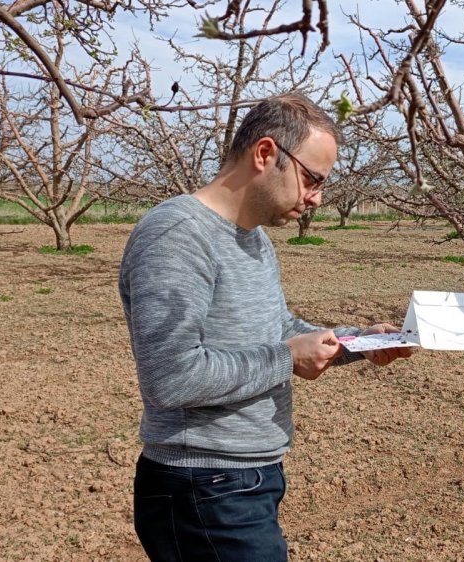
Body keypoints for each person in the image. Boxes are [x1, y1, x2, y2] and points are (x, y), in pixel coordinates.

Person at [118, 92, 412, 561]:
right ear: (265, 154)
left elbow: (276, 328)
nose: (317, 198)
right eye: (313, 179)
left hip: (243, 481)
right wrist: (287, 357)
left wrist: (359, 341)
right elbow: (171, 377)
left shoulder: (253, 240)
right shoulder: (176, 235)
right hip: (203, 488)